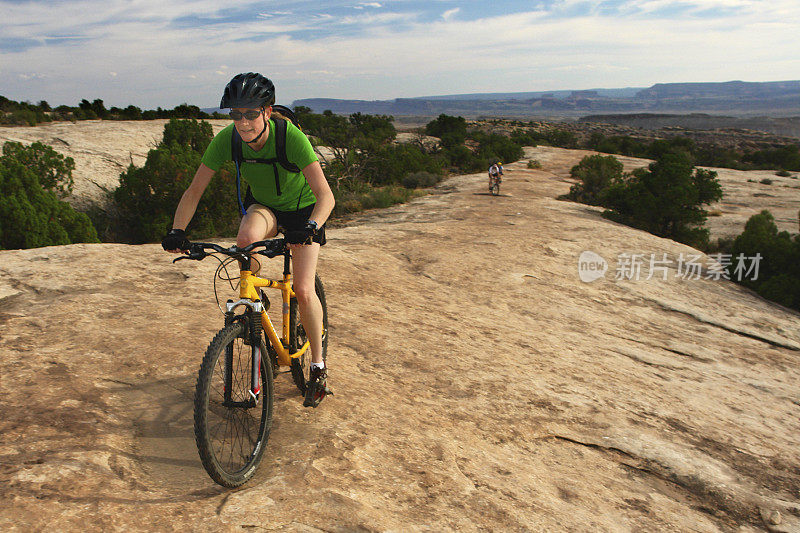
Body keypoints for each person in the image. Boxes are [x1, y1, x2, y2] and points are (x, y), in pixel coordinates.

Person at [161, 72, 335, 408]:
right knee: (245, 239)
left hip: (304, 211)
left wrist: (310, 226)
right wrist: (177, 231)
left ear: (267, 112)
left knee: (302, 288)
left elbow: (326, 195)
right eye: (236, 114)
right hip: (266, 206)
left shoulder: (291, 138)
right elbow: (194, 190)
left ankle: (318, 367)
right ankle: (256, 307)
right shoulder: (228, 139)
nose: (243, 123)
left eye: (251, 114)